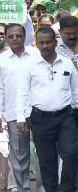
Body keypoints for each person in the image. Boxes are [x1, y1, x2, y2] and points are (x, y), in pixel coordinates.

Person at [17, 27, 77, 192]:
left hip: (66, 116)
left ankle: (66, 189)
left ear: (55, 42)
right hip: (40, 119)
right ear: (37, 44)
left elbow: (75, 90)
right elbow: (22, 92)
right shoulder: (30, 65)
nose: (45, 46)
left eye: (48, 42)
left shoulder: (66, 63)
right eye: (41, 42)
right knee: (46, 160)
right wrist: (21, 117)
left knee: (71, 154)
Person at [0, 24, 43, 192]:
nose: (15, 39)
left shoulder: (37, 55)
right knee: (19, 156)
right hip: (14, 112)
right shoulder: (0, 60)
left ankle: (43, 188)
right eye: (11, 36)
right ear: (6, 37)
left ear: (25, 36)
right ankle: (23, 189)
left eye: (18, 36)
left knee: (42, 153)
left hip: (39, 111)